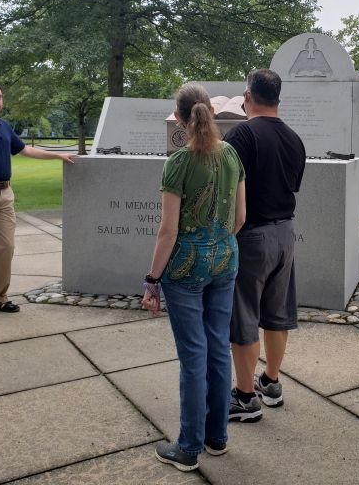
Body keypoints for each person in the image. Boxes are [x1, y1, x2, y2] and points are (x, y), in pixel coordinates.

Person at [142, 84, 246, 472]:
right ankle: (217, 438)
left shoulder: (179, 162)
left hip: (185, 268)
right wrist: (217, 246)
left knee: (193, 356)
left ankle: (188, 447)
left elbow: (167, 231)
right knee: (218, 347)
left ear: (180, 117)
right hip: (225, 261)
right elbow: (240, 219)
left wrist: (152, 279)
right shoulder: (232, 154)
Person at [224, 69, 306, 423]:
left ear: (247, 97)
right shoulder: (294, 139)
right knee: (277, 314)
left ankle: (244, 398)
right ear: (278, 99)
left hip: (251, 235)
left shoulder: (241, 133)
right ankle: (270, 382)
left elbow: (228, 189)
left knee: (243, 317)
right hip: (285, 234)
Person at [0, 80, 76, 317]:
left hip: (5, 193)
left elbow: (25, 150)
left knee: (6, 247)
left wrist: (58, 155)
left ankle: (0, 297)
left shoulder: (4, 126)